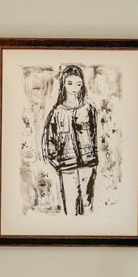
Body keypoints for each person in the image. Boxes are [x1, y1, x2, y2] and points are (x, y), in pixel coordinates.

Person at [39, 65, 99, 214]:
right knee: (71, 207)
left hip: (88, 165)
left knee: (88, 206)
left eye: (78, 84)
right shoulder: (56, 112)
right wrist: (57, 162)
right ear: (63, 84)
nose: (74, 88)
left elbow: (94, 136)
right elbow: (49, 141)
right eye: (70, 83)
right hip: (66, 167)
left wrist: (93, 157)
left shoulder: (89, 110)